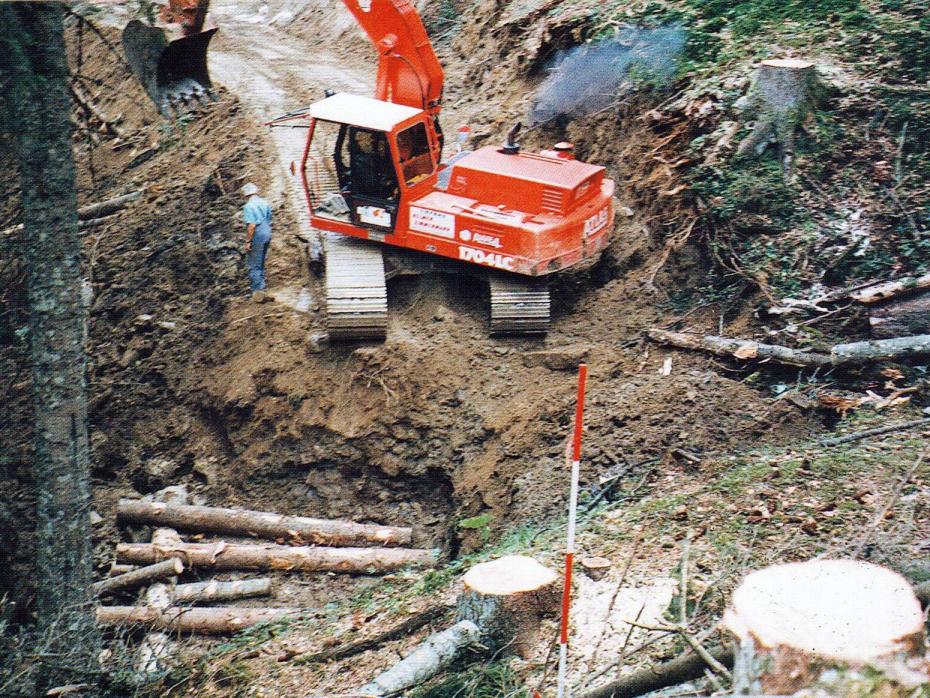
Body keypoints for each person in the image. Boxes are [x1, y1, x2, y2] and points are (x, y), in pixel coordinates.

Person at [241, 182, 273, 298]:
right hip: (267, 232)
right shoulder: (264, 202)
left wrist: (248, 241)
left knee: (254, 264)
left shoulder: (248, 206)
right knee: (261, 262)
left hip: (258, 234)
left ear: (245, 195)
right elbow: (270, 218)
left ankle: (257, 291)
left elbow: (252, 225)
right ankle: (262, 287)